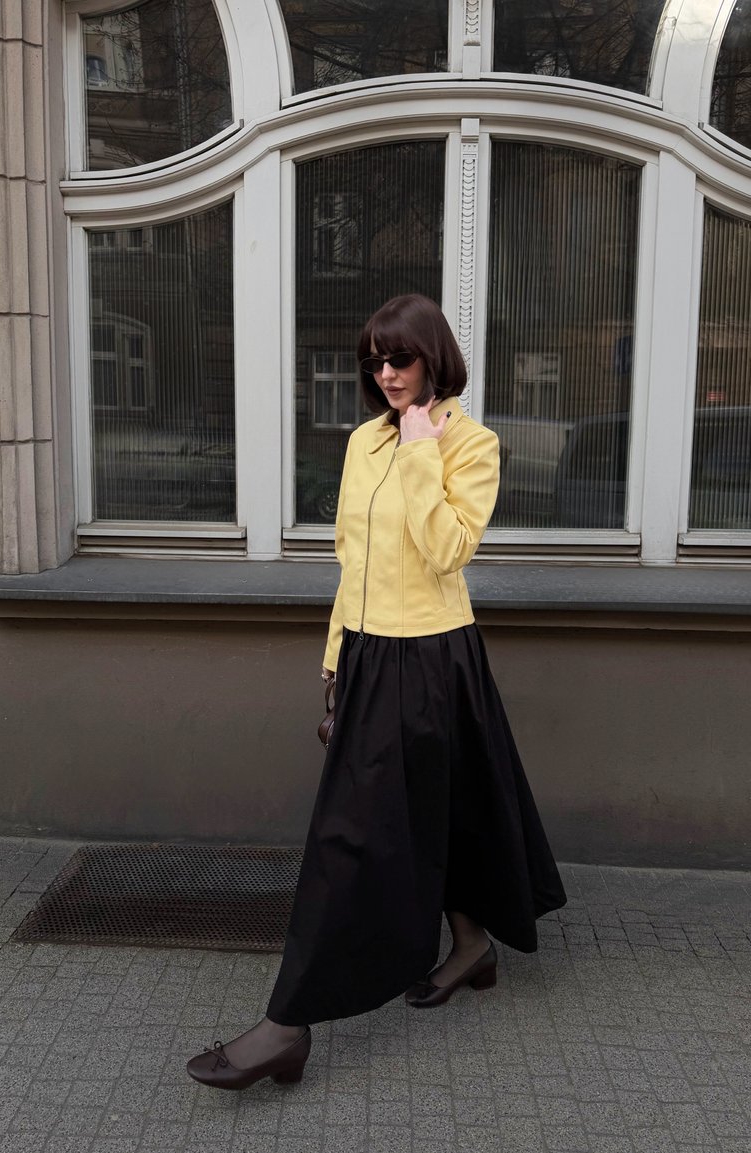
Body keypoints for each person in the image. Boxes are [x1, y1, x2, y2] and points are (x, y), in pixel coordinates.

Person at [186, 293, 566, 1091]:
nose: (386, 373)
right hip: (368, 652)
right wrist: (335, 662)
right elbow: (352, 560)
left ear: (434, 357)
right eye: (374, 361)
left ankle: (288, 1023)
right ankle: (472, 945)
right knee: (441, 809)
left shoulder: (473, 445)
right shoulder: (364, 441)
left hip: (432, 656)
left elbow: (446, 549)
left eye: (400, 358)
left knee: (350, 836)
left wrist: (424, 448)